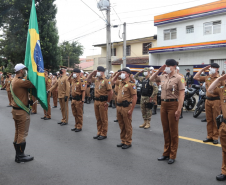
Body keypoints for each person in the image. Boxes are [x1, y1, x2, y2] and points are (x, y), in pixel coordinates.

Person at [150, 59, 185, 164]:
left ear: (174, 66)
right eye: (166, 66)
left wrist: (179, 109)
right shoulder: (163, 76)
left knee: (173, 131)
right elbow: (151, 79)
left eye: (169, 66)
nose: (167, 67)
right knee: (165, 130)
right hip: (163, 105)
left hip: (173, 104)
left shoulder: (180, 78)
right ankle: (166, 153)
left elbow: (181, 94)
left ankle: (172, 155)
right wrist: (159, 70)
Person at [194, 63, 223, 144]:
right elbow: (195, 77)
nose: (212, 69)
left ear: (217, 69)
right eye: (211, 68)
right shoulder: (207, 77)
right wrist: (203, 69)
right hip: (208, 101)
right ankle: (209, 136)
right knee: (209, 120)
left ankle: (215, 137)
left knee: (215, 119)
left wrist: (222, 102)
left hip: (217, 101)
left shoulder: (221, 79)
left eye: (213, 68)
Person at [11, 63, 34, 163]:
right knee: (22, 134)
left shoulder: (14, 80)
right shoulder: (20, 81)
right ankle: (20, 156)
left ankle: (18, 155)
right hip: (21, 112)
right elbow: (33, 84)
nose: (25, 71)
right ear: (21, 71)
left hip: (15, 110)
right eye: (24, 70)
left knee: (17, 132)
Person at [112, 68, 137, 149]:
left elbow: (134, 97)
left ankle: (128, 142)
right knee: (121, 125)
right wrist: (118, 74)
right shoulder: (120, 82)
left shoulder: (131, 84)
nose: (122, 73)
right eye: (121, 72)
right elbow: (113, 81)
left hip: (126, 107)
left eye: (124, 72)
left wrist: (131, 110)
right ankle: (123, 140)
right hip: (119, 106)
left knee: (127, 125)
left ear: (128, 74)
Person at [208, 74, 226, 181]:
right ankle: (224, 171)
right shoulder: (223, 90)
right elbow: (210, 90)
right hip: (224, 125)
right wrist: (219, 79)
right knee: (224, 150)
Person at [87, 66, 112, 140]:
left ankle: (104, 133)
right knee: (98, 118)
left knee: (104, 119)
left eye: (98, 71)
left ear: (102, 72)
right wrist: (92, 73)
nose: (97, 72)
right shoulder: (97, 79)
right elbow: (88, 79)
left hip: (103, 101)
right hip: (96, 101)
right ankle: (99, 132)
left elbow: (110, 92)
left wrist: (108, 102)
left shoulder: (107, 80)